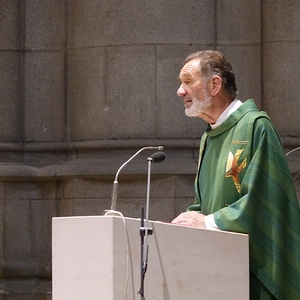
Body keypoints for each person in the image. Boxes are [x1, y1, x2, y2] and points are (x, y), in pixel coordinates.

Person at [171, 50, 300, 300]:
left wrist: (208, 222)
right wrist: (188, 219)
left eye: (187, 81)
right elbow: (204, 205)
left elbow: (266, 203)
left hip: (255, 273)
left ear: (215, 84)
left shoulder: (255, 126)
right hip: (220, 270)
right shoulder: (209, 137)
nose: (180, 91)